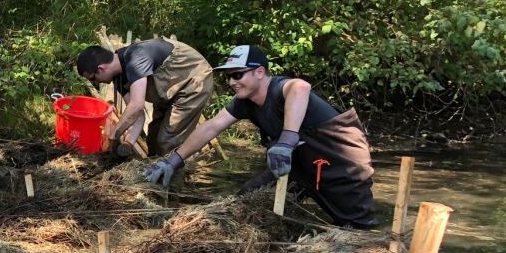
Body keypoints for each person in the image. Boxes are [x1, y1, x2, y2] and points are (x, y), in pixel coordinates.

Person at [145, 44, 376, 228]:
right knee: (247, 199)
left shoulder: (280, 88)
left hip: (341, 165)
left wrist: (286, 140)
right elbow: (211, 127)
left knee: (356, 229)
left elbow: (301, 88)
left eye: (237, 75)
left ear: (259, 72)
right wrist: (173, 160)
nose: (232, 82)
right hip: (296, 166)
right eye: (229, 76)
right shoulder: (244, 102)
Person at [76, 37, 213, 159]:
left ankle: (170, 185)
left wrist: (113, 137)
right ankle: (152, 177)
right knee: (153, 137)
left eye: (93, 78)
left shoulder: (136, 57)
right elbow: (138, 115)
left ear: (100, 69)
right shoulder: (119, 78)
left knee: (167, 142)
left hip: (193, 82)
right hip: (170, 92)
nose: (96, 83)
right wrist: (128, 143)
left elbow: (136, 106)